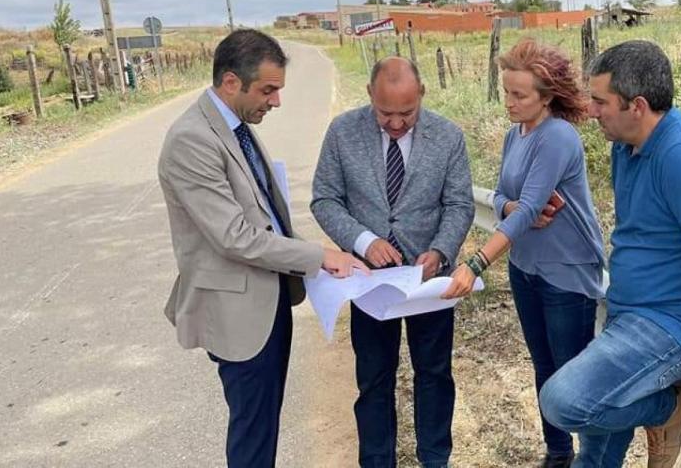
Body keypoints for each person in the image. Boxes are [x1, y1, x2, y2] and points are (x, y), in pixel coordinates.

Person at [158, 29, 368, 468]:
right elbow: (234, 236)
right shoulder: (192, 139)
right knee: (253, 436)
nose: (276, 102)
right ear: (231, 82)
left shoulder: (235, 126)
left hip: (268, 299)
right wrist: (318, 256)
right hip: (239, 314)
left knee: (262, 425)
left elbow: (265, 214)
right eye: (268, 90)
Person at [538, 40, 681, 468]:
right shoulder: (626, 145)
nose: (591, 111)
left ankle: (666, 411)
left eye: (601, 102)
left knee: (563, 402)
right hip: (631, 313)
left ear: (637, 106)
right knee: (594, 453)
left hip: (674, 326)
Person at [445, 38, 606, 468]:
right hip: (526, 268)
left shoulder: (558, 137)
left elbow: (532, 208)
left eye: (519, 95)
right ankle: (558, 453)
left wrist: (476, 262)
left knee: (573, 377)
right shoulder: (514, 135)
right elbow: (504, 198)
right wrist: (507, 208)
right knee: (544, 366)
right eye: (506, 92)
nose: (509, 102)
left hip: (566, 272)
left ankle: (592, 458)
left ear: (546, 97)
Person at [310, 56, 476, 468]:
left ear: (422, 94)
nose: (397, 123)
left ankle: (435, 459)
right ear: (370, 95)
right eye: (386, 113)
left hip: (429, 283)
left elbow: (459, 204)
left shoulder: (448, 136)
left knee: (434, 373)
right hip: (369, 284)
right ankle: (376, 460)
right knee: (374, 379)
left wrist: (440, 251)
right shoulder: (342, 133)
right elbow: (325, 199)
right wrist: (364, 242)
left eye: (408, 112)